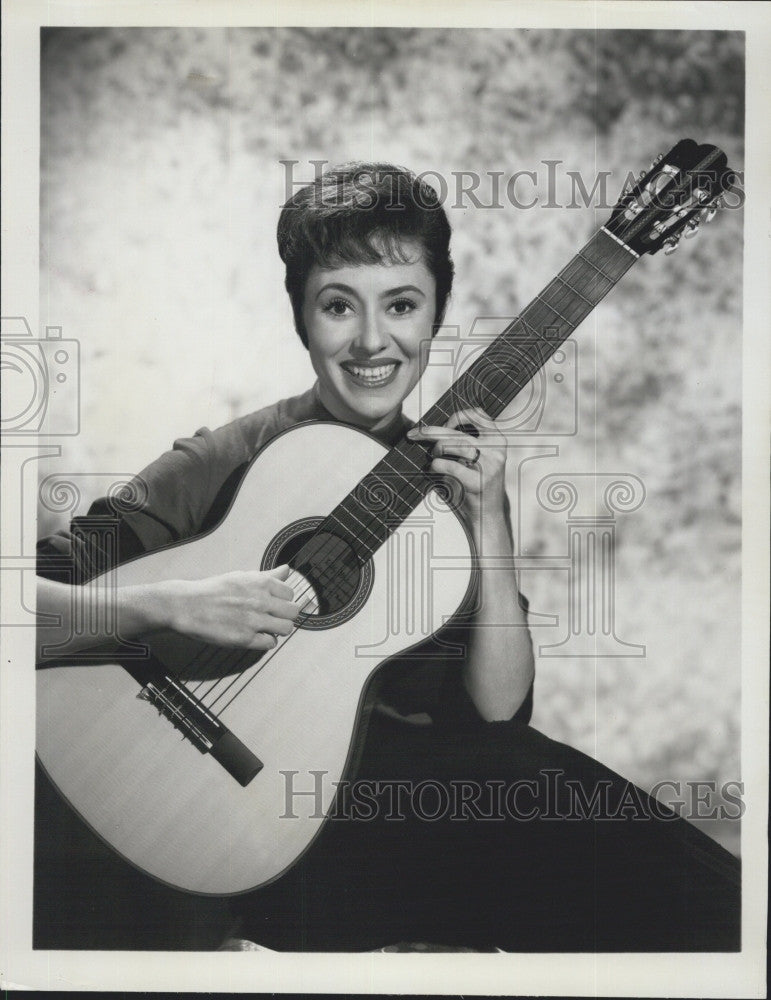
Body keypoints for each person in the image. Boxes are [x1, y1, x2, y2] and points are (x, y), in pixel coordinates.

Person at [35, 163, 740, 952]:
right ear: (301, 316)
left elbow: (496, 716)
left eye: (400, 305)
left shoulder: (457, 482)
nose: (372, 341)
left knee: (557, 804)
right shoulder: (226, 458)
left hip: (353, 830)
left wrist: (488, 531)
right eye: (339, 306)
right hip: (183, 796)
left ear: (436, 310)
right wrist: (170, 604)